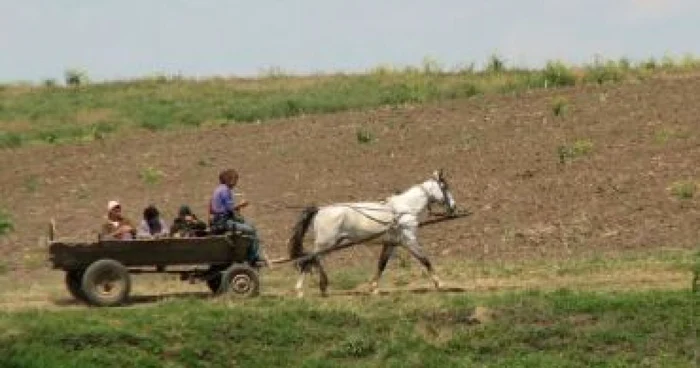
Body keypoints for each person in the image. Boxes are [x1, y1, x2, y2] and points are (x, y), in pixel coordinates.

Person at [210, 169, 265, 266]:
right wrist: (241, 205)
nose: (236, 183)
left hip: (219, 220)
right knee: (251, 230)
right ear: (229, 179)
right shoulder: (225, 190)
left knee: (250, 225)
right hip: (224, 222)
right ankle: (253, 257)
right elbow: (230, 209)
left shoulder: (218, 189)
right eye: (235, 180)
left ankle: (252, 255)